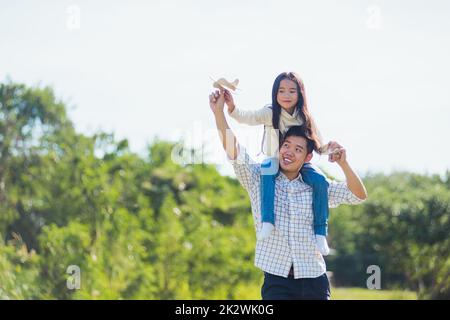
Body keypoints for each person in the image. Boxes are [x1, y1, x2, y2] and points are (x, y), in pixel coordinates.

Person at [208, 89, 367, 300]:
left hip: (314, 280)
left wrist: (343, 164)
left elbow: (358, 194)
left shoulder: (317, 187)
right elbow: (234, 150)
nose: (289, 152)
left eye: (298, 149)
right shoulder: (258, 179)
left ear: (308, 157)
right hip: (277, 281)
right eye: (286, 145)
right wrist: (219, 112)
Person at [224, 72, 330, 255]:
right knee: (267, 171)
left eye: (291, 91)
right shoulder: (270, 112)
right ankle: (267, 221)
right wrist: (232, 106)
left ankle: (320, 232)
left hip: (298, 162)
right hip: (275, 158)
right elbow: (246, 117)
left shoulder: (305, 117)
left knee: (320, 180)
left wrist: (333, 150)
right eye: (281, 91)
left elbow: (319, 144)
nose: (286, 96)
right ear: (275, 93)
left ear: (300, 94)